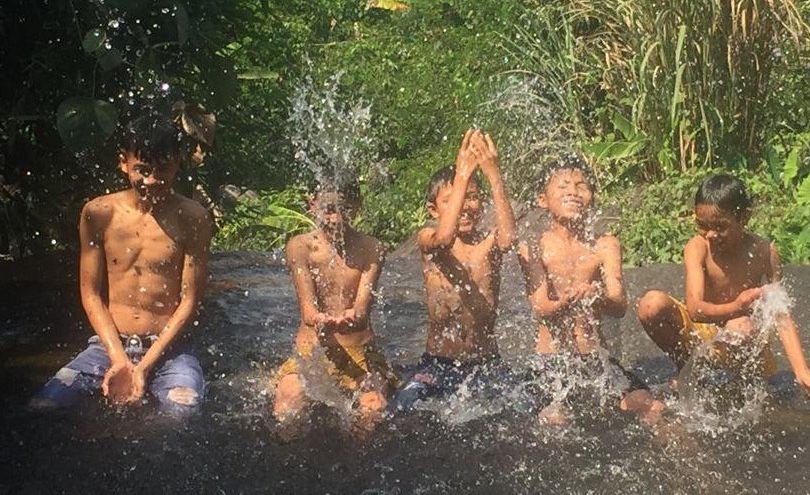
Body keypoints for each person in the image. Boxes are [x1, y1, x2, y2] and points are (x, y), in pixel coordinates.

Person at [31, 112, 212, 414]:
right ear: (123, 162)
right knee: (43, 406)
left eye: (163, 170)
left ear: (178, 163)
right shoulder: (99, 213)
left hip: (171, 349)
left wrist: (143, 366)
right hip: (107, 346)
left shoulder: (193, 218)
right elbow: (90, 293)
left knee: (182, 413)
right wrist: (118, 359)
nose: (151, 181)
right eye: (142, 170)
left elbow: (189, 300)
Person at [637, 173, 810, 411]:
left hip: (745, 337)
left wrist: (802, 371)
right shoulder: (698, 247)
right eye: (702, 226)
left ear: (744, 217)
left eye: (720, 226)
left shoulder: (764, 252)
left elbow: (780, 311)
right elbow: (695, 309)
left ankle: (742, 384)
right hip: (704, 332)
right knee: (651, 304)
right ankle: (688, 368)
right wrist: (736, 306)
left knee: (741, 326)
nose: (710, 235)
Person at [518, 155, 661, 425]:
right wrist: (566, 301)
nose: (573, 192)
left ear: (592, 197)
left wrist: (597, 297)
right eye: (562, 186)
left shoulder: (605, 245)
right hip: (552, 361)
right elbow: (540, 308)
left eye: (581, 185)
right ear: (542, 200)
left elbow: (619, 305)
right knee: (555, 418)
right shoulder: (534, 247)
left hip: (596, 359)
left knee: (650, 404)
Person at [391, 129, 516, 411]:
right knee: (401, 410)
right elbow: (445, 238)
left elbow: (509, 239)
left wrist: (493, 174)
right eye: (452, 201)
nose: (464, 208)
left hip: (486, 362)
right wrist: (462, 175)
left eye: (472, 198)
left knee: (524, 410)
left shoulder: (489, 241)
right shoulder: (428, 238)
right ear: (433, 210)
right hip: (438, 363)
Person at [273, 172, 394, 431]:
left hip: (360, 354)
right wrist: (319, 318)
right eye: (328, 209)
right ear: (312, 204)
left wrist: (354, 316)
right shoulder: (300, 247)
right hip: (313, 352)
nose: (336, 218)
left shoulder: (371, 248)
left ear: (358, 206)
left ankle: (360, 456)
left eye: (345, 209)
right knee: (289, 398)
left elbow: (362, 308)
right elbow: (308, 310)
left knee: (373, 406)